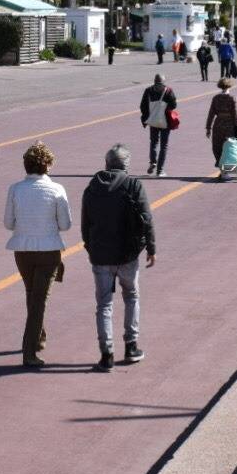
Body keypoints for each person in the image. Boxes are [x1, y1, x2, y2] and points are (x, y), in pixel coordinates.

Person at [81, 144, 156, 372]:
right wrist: (151, 247)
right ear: (126, 164)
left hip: (101, 255)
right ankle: (131, 346)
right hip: (127, 253)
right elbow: (146, 218)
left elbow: (85, 224)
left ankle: (107, 354)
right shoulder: (133, 185)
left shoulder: (92, 187)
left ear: (107, 163)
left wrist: (90, 248)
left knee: (104, 304)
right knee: (131, 296)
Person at [3, 142, 71, 368]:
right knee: (39, 301)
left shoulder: (15, 189)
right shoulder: (57, 189)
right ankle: (29, 351)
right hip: (48, 250)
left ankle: (38, 338)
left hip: (22, 250)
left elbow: (8, 223)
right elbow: (65, 224)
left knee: (32, 294)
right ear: (48, 166)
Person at [140, 73, 178, 177]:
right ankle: (160, 170)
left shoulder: (148, 90)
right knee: (164, 145)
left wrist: (148, 115)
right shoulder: (168, 90)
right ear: (163, 81)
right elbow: (174, 104)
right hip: (165, 121)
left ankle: (153, 162)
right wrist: (165, 109)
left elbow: (142, 106)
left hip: (153, 120)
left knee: (153, 142)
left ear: (154, 80)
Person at [205, 77, 237, 166]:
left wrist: (208, 128)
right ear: (230, 86)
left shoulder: (216, 98)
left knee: (217, 146)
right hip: (229, 125)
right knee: (229, 146)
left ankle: (220, 165)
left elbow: (211, 114)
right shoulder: (232, 98)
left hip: (218, 124)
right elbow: (235, 114)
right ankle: (226, 168)